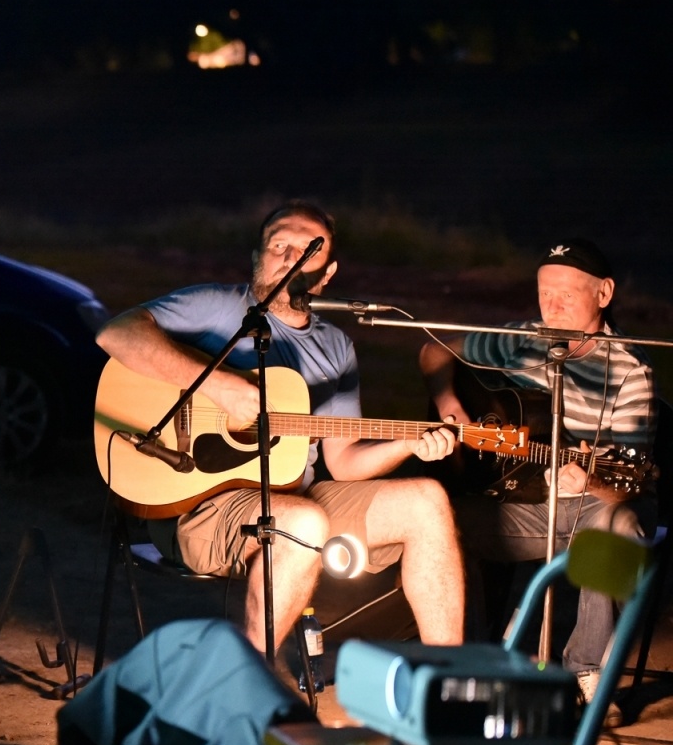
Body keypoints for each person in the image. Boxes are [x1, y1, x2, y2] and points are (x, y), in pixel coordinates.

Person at [96, 201, 466, 654]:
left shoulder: (336, 346)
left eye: (308, 251)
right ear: (257, 257)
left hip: (297, 496)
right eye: (279, 246)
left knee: (427, 500)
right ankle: (250, 676)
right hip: (199, 504)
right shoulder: (216, 307)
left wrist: (411, 443)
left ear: (327, 274)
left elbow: (344, 462)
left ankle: (449, 674)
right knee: (303, 523)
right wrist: (219, 385)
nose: (291, 257)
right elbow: (116, 333)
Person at [419, 238, 655, 693]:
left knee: (617, 526)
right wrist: (449, 404)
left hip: (595, 502)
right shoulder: (522, 339)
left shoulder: (629, 370)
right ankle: (472, 659)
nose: (553, 305)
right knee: (440, 523)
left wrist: (591, 479)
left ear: (604, 293)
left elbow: (631, 483)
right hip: (525, 499)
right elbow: (434, 350)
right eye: (545, 292)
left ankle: (585, 673)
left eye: (567, 293)